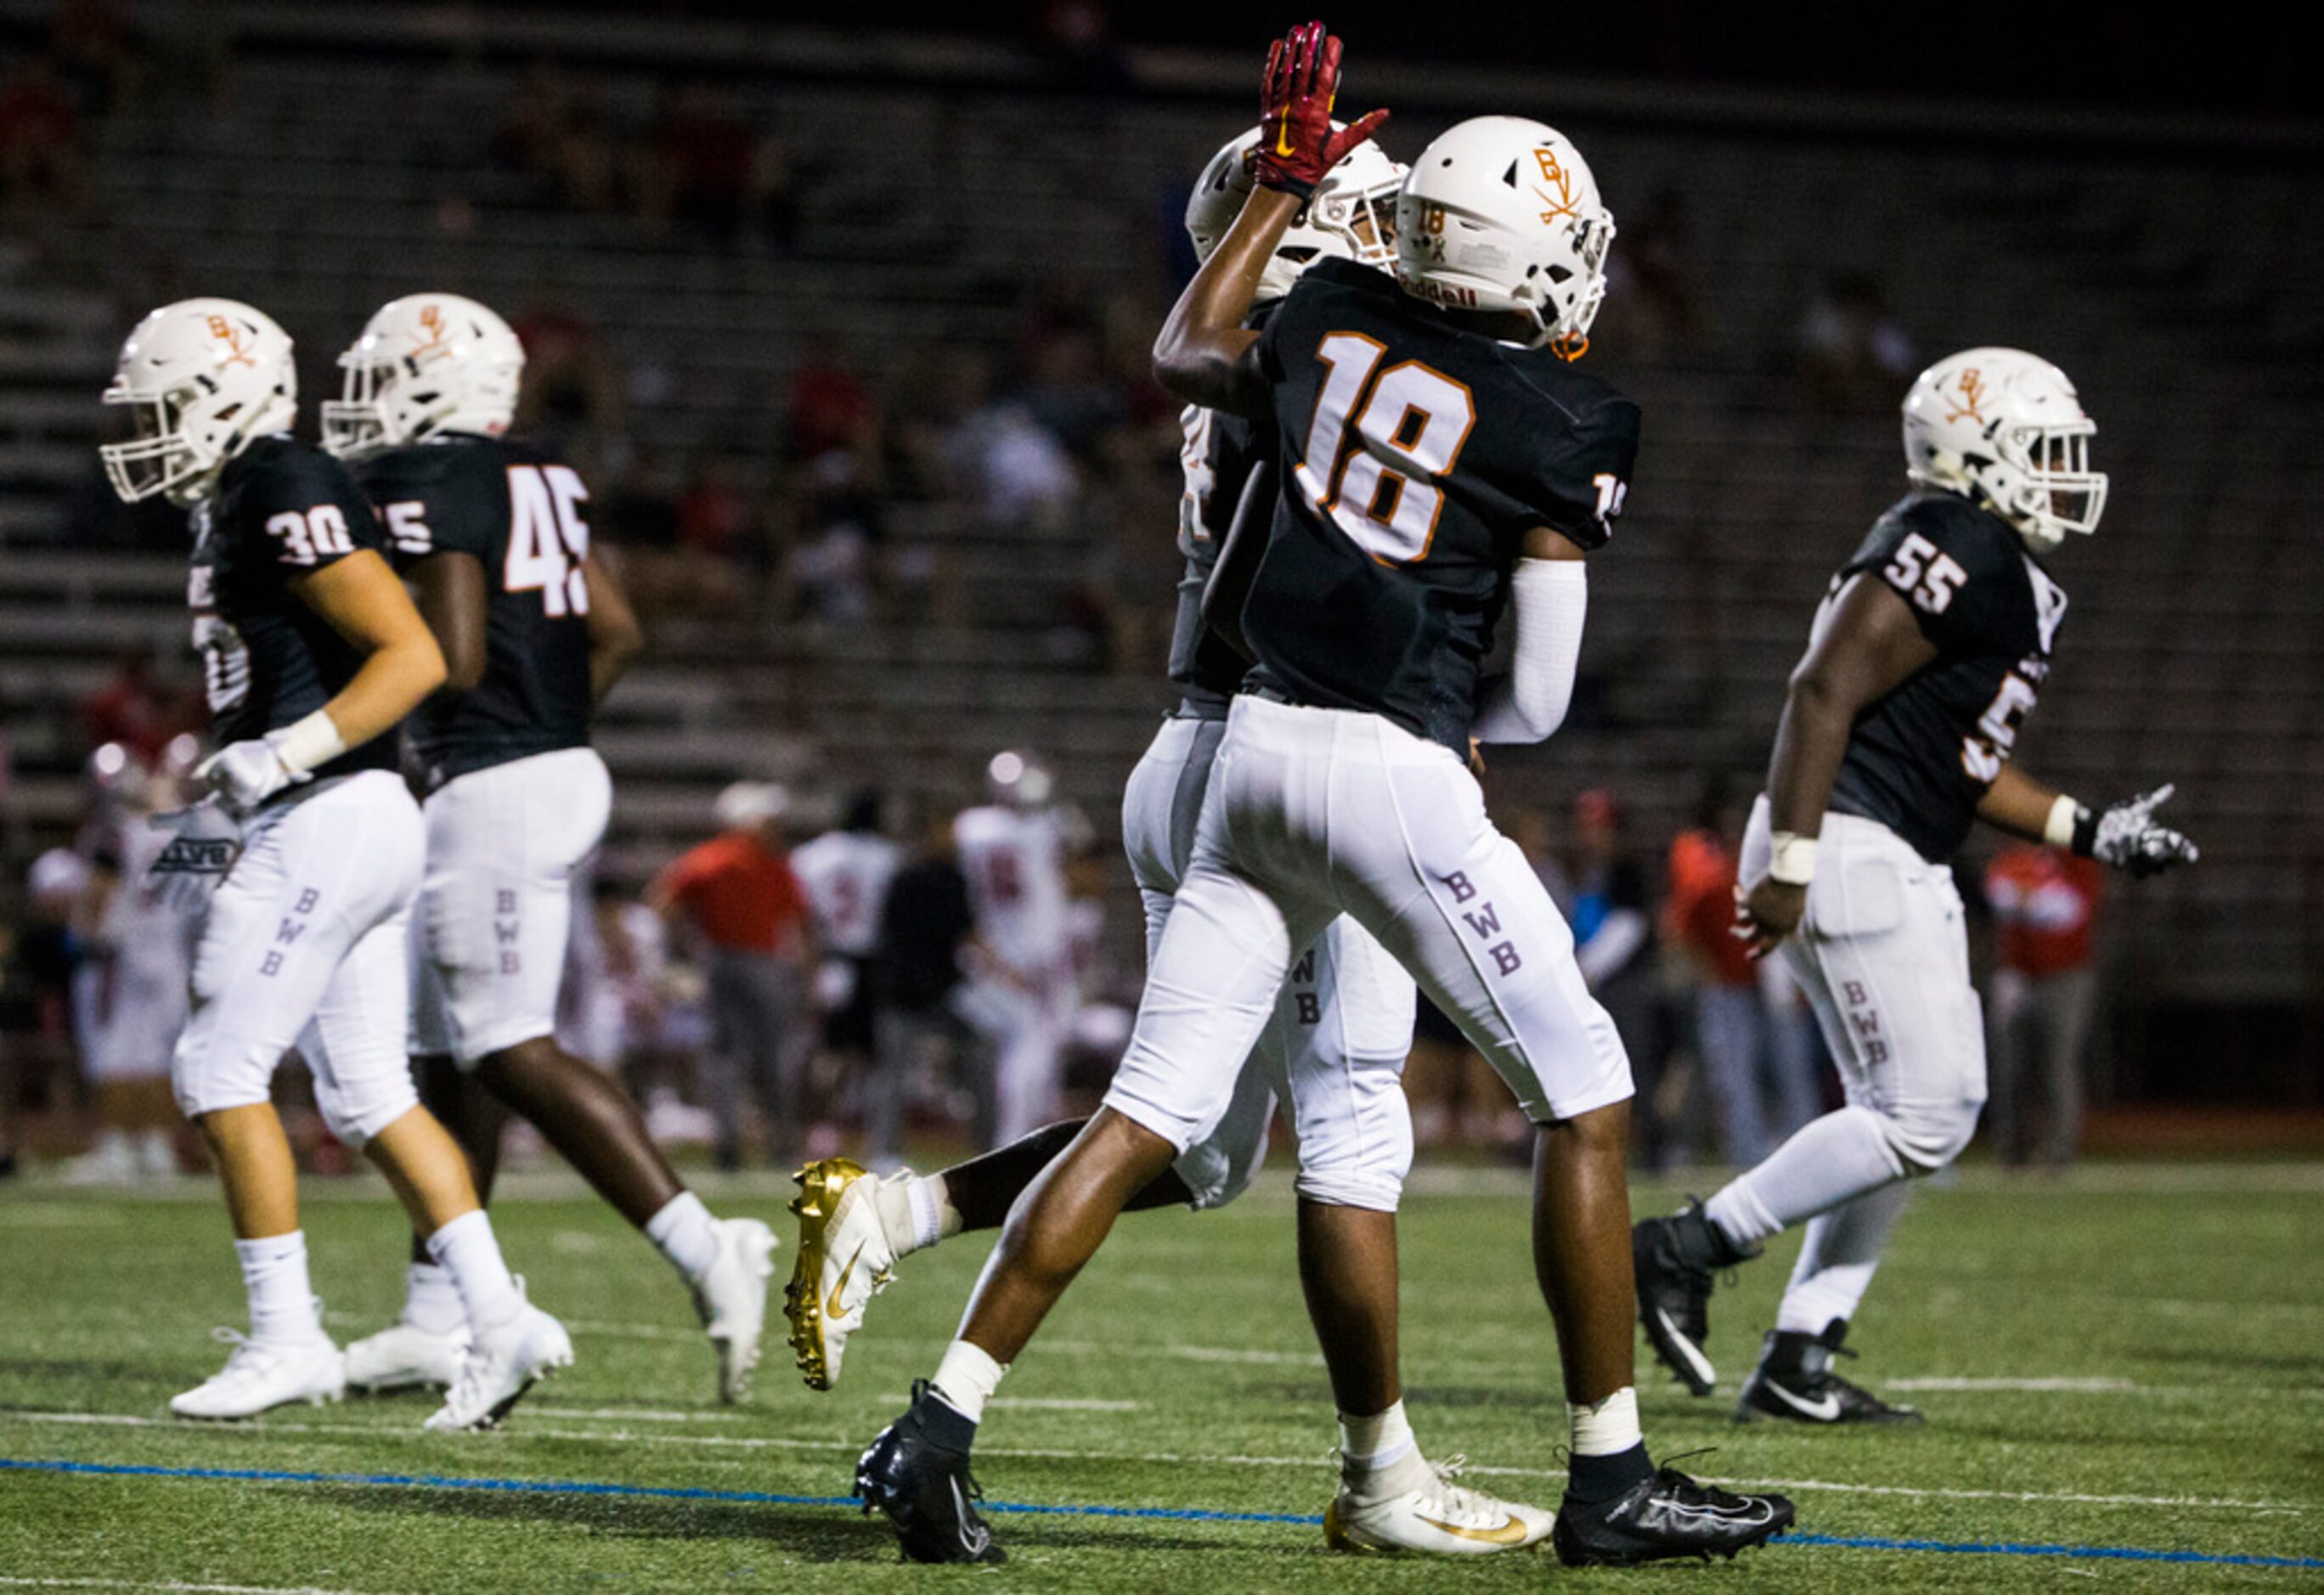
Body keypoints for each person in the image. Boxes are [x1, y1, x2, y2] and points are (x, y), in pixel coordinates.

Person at [853, 27, 1791, 1567]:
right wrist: (1447, 712)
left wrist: (1278, 187)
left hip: (1248, 753)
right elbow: (1540, 703)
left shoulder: (1333, 311)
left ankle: (938, 1421)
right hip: (1387, 768)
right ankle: (1612, 1476)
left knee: (1149, 1114)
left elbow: (1184, 350)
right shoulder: (1563, 420)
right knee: (1586, 1096)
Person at [793, 125, 1559, 1557]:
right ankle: (1379, 1474)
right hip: (1280, 751)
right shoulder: (1324, 354)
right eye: (1378, 219)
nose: (1404, 241)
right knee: (1343, 1112)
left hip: (1201, 747)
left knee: (1204, 1149)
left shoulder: (1283, 344)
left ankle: (897, 1216)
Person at [1634, 347, 2199, 1426]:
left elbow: (1967, 765)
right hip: (1847, 842)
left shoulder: (2005, 570)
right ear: (1976, 450)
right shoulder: (1951, 534)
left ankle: (1800, 1355)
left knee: (1919, 1113)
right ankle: (1687, 1246)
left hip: (1883, 842)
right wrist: (1793, 859)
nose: (2066, 472)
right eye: (2046, 451)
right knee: (1926, 1115)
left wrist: (2091, 830)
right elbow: (1822, 686)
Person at [99, 297, 568, 1428]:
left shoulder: (280, 479)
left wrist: (286, 755)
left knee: (217, 1068)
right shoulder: (230, 500)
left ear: (225, 398)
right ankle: (499, 1322)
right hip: (323, 812)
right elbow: (255, 711)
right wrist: (205, 834)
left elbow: (411, 653)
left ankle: (287, 1339)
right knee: (368, 1091)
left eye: (166, 405)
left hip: (332, 808)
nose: (147, 428)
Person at [322, 294, 777, 1405]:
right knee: (447, 1053)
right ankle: (438, 1314)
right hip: (525, 768)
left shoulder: (437, 478)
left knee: (509, 1044)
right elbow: (615, 630)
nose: (370, 397)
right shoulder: (543, 473)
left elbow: (461, 654)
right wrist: (554, 730)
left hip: (495, 780)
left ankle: (706, 1245)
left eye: (388, 374)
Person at [651, 781, 818, 1168]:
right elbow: (801, 922)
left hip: (720, 962)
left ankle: (729, 1144)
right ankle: (781, 1144)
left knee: (724, 1058)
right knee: (773, 1056)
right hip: (761, 965)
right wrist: (808, 974)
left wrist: (680, 951)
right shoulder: (768, 864)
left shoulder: (706, 859)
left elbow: (661, 903)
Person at [1665, 790, 1820, 1167]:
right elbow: (1681, 927)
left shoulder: (1760, 864)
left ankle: (1806, 1150)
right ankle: (1750, 1156)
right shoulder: (1703, 865)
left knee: (1790, 1069)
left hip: (1769, 981)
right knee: (1735, 1077)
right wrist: (1709, 973)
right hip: (1728, 987)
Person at [65, 741, 195, 1184]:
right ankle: (157, 1147)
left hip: (122, 957)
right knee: (158, 1056)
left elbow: (101, 893)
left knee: (117, 1055)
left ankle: (119, 1146)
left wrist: (83, 937)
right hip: (170, 955)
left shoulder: (118, 834)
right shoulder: (181, 830)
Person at [950, 751, 1077, 1147]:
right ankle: (1015, 1139)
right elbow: (1078, 851)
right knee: (1030, 1050)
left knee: (1015, 1050)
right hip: (1028, 954)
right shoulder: (1043, 827)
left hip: (985, 952)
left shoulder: (970, 827)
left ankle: (1014, 1135)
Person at [1983, 843, 2104, 1167]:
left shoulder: (2079, 863)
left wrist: (2027, 900)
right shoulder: (2014, 857)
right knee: (2009, 1066)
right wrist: (2037, 902)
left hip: (2066, 978)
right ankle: (2012, 1150)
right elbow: (1998, 895)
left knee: (2059, 1066)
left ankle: (2059, 1152)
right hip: (2017, 975)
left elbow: (2070, 910)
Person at [788, 787, 904, 1118]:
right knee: (870, 1053)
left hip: (828, 956)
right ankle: (856, 1124)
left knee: (828, 1049)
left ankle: (818, 1121)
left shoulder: (813, 854)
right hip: (870, 959)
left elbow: (801, 914)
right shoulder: (888, 856)